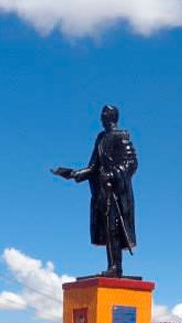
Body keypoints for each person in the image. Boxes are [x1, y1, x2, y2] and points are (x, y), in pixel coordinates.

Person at [52, 104, 138, 277]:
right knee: (107, 229)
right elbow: (93, 166)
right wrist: (73, 174)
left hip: (117, 192)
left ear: (111, 117)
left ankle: (116, 267)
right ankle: (112, 266)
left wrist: (113, 175)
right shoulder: (100, 138)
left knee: (114, 228)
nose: (101, 117)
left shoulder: (122, 136)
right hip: (103, 193)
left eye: (104, 114)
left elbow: (132, 163)